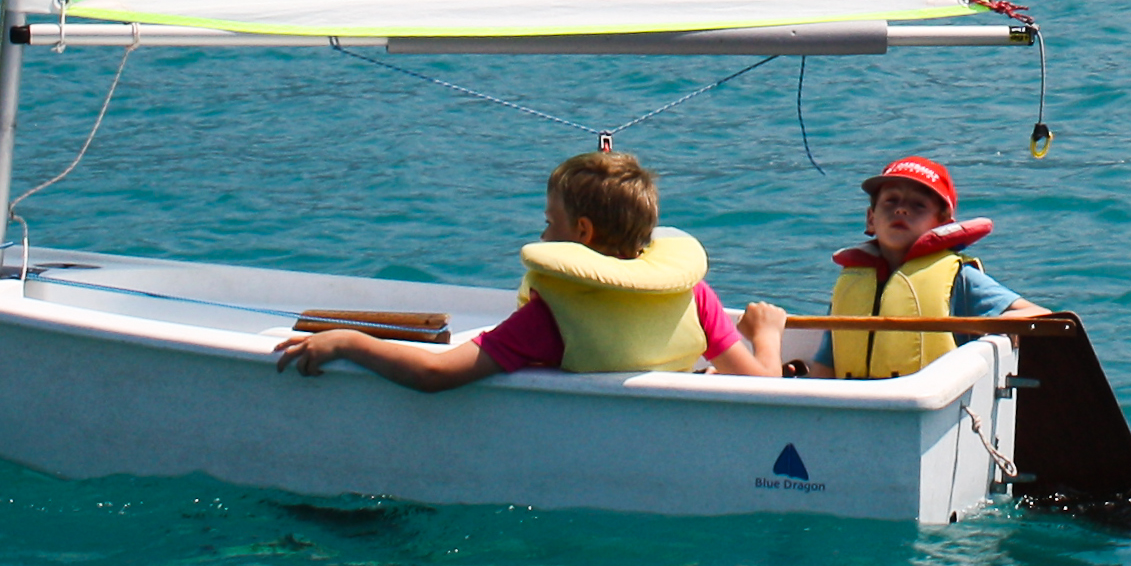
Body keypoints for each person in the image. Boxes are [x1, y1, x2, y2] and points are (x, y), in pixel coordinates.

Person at [274, 149, 788, 388]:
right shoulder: (694, 296)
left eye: (549, 222)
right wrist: (766, 333)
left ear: (582, 233)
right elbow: (763, 381)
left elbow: (435, 374)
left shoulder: (552, 318)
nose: (543, 236)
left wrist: (348, 342)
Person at [801, 153, 1042, 380]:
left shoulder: (961, 278)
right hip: (856, 413)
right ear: (871, 219)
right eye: (890, 201)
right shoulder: (852, 283)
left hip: (930, 409)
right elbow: (826, 364)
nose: (901, 209)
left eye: (918, 205)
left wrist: (991, 331)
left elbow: (1037, 315)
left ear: (942, 225)